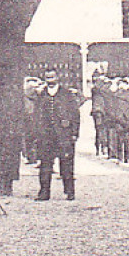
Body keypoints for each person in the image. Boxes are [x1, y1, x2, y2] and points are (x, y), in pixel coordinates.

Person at [36, 72, 81, 200]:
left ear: (57, 78)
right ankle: (44, 192)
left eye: (52, 77)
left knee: (66, 165)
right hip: (46, 136)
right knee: (45, 165)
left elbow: (75, 115)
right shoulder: (41, 95)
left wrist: (74, 133)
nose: (50, 80)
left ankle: (69, 191)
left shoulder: (67, 95)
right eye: (47, 78)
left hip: (64, 135)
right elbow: (36, 115)